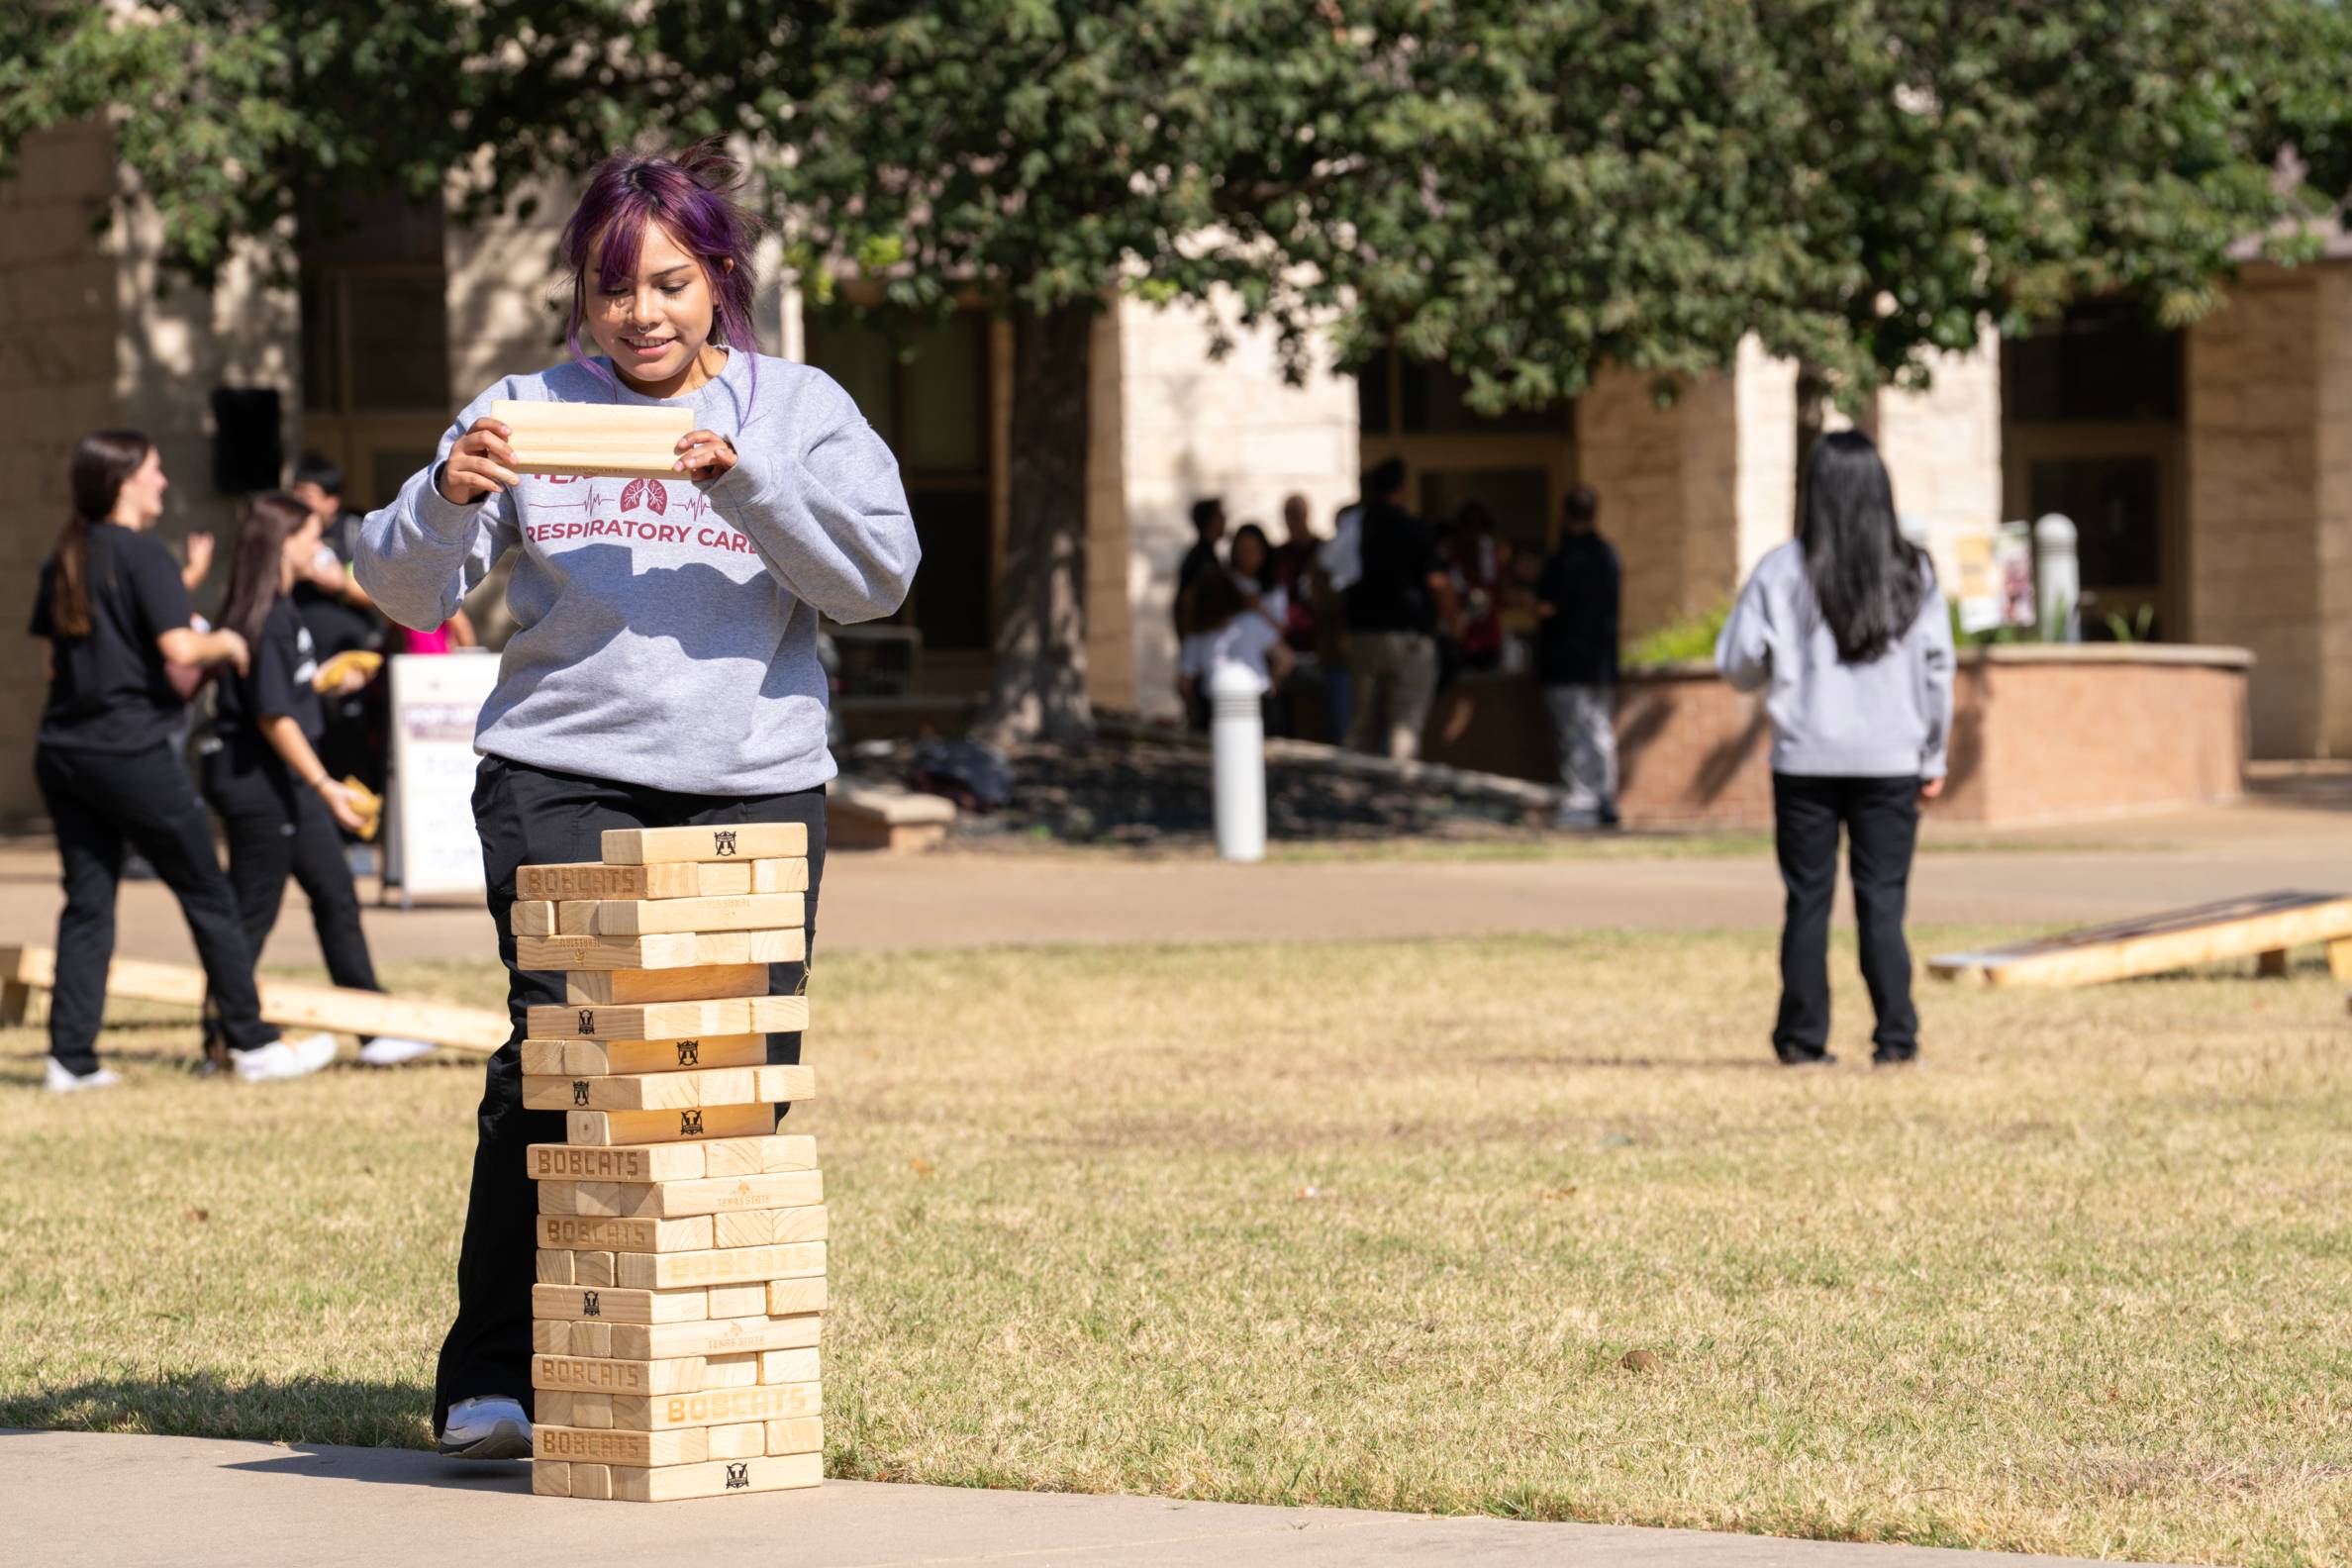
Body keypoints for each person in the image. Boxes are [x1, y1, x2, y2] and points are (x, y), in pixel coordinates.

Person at [355, 141, 918, 1460]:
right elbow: (402, 589)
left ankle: (695, 1367)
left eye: (669, 282)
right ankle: (496, 1374)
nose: (643, 314)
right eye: (615, 290)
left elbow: (878, 578)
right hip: (564, 772)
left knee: (728, 1077)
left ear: (718, 277)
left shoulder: (803, 409)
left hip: (755, 785)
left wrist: (745, 479)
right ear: (583, 299)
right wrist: (445, 496)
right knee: (563, 1061)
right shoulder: (527, 404)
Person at [30, 431, 339, 1091]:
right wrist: (226, 641)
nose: (164, 482)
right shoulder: (142, 554)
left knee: (87, 901)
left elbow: (52, 662)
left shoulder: (66, 555)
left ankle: (70, 1060)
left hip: (64, 750)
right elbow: (178, 646)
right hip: (131, 749)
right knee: (209, 892)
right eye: (155, 469)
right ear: (124, 482)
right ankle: (253, 1044)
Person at [1715, 432, 1953, 1069]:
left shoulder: (1781, 569)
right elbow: (1938, 673)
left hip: (1805, 759)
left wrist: (1780, 663)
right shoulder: (1915, 571)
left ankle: (1801, 1039)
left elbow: (1737, 663)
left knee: (1808, 900)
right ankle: (1896, 1039)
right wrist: (1933, 756)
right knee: (1882, 899)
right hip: (1892, 760)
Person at [203, 492, 435, 1070]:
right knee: (252, 911)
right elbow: (272, 717)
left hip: (288, 784)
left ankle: (372, 1026)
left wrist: (325, 686)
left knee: (335, 894)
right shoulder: (267, 616)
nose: (322, 547)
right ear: (283, 544)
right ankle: (226, 1038)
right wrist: (327, 786)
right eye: (310, 536)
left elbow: (285, 698)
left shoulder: (283, 610)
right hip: (263, 784)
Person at [287, 454, 386, 802]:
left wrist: (340, 585)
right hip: (302, 663)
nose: (299, 502)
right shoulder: (285, 531)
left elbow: (389, 594)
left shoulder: (356, 530)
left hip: (352, 662)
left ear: (332, 500)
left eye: (308, 495)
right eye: (295, 493)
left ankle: (358, 832)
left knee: (352, 746)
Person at [1341, 458, 1445, 760]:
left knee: (1363, 727)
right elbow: (1437, 582)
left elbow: (1330, 575)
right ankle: (1402, 798)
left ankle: (1357, 797)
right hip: (1408, 639)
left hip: (1362, 637)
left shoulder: (1355, 528)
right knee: (1405, 726)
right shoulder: (1414, 528)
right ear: (1403, 488)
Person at [1535, 487, 1622, 829]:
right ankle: (1605, 798)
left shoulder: (1563, 559)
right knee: (1599, 730)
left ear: (1564, 513)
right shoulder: (1608, 555)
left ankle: (1582, 802)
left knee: (1573, 732)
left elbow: (1547, 607)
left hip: (1565, 661)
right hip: (1600, 661)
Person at [1176, 565, 1292, 733]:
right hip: (1248, 702)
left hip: (1225, 705)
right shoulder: (1249, 623)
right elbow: (1286, 659)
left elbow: (1184, 684)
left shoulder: (1198, 636)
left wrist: (1193, 709)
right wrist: (1273, 682)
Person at [1174, 497, 1225, 635]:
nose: (1225, 521)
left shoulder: (1205, 555)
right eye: (1221, 516)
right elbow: (1187, 600)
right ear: (1211, 521)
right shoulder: (1201, 558)